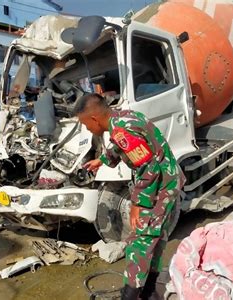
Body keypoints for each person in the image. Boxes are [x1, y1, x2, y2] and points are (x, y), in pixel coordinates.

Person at [75, 93, 185, 300]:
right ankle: (150, 292)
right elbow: (122, 146)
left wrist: (138, 203)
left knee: (139, 242)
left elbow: (148, 167)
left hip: (159, 186)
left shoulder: (122, 130)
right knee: (155, 236)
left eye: (87, 126)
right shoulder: (123, 118)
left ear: (94, 119)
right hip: (167, 180)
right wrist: (101, 161)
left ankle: (131, 295)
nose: (88, 130)